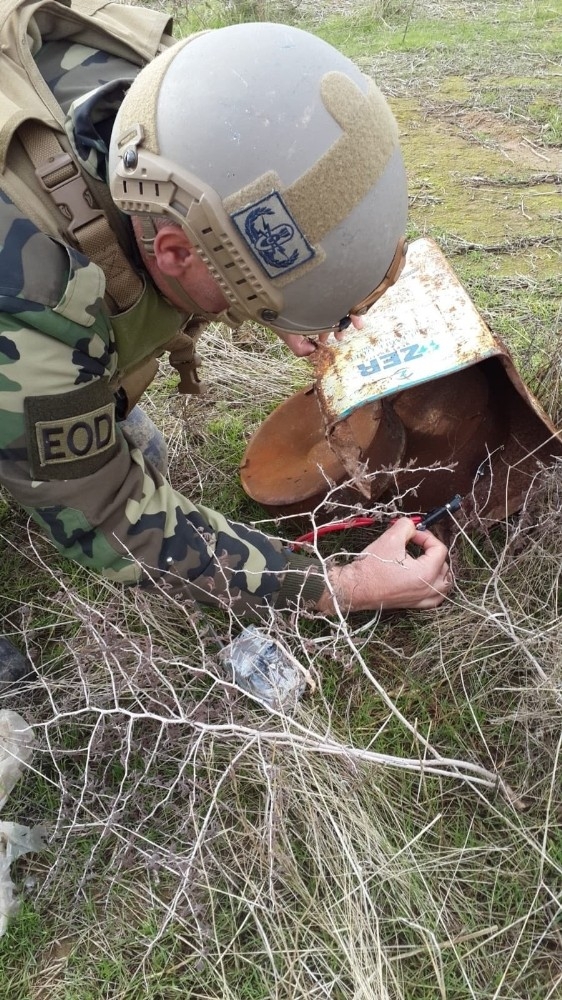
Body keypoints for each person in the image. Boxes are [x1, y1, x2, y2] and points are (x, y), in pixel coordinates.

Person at [0, 9, 452, 676]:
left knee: (135, 447)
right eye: (247, 302)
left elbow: (218, 220)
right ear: (177, 253)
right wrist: (345, 585)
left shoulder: (181, 105)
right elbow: (108, 514)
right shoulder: (32, 295)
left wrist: (284, 297)